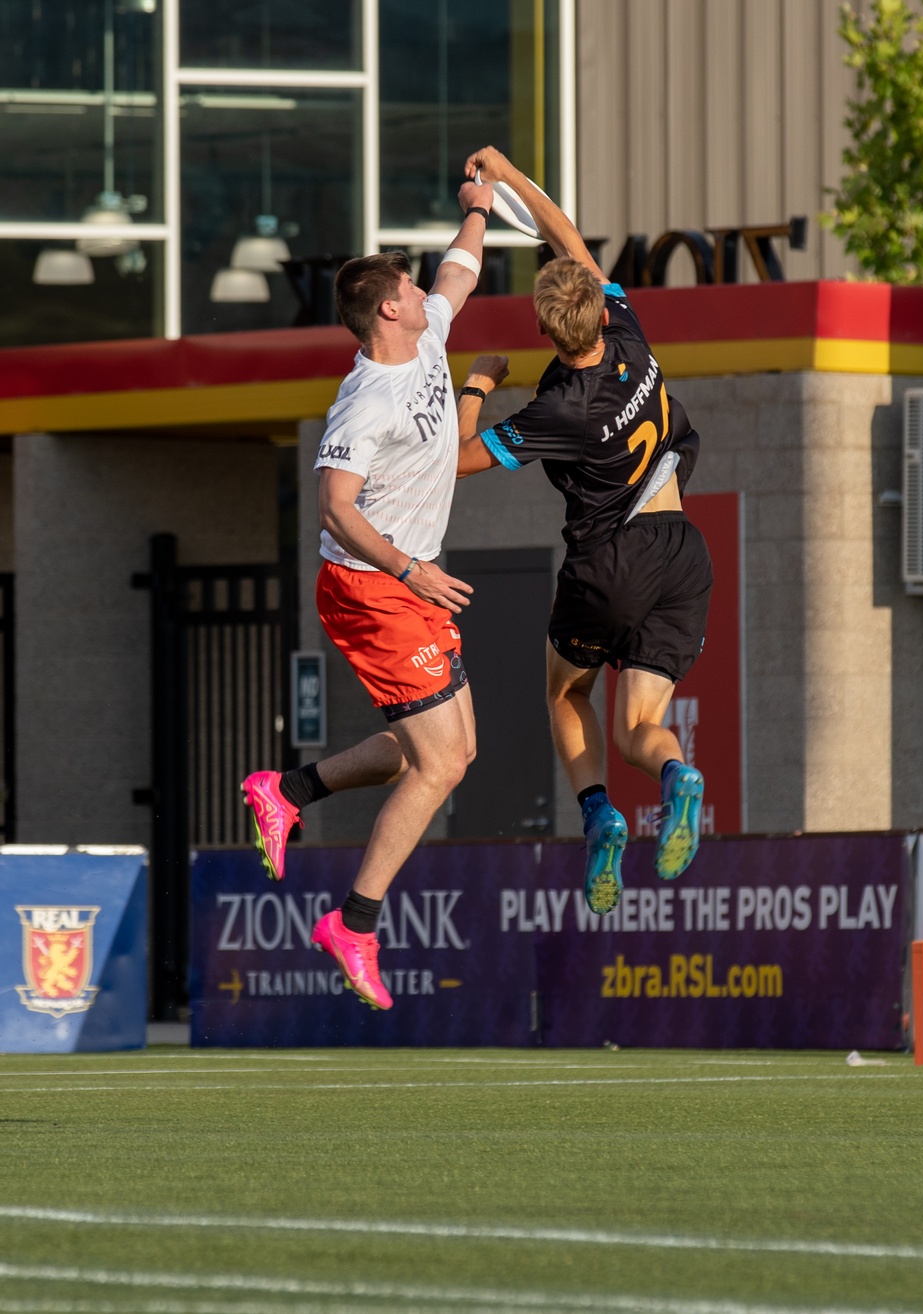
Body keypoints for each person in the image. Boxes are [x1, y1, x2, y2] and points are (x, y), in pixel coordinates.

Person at [242, 176, 508, 1011]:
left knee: (446, 754)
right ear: (386, 311)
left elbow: (460, 270)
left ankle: (286, 791)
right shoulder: (363, 402)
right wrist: (409, 570)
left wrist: (481, 200)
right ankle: (354, 923)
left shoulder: (427, 337)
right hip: (372, 587)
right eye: (407, 287)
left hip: (409, 586)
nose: (424, 291)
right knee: (438, 764)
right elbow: (335, 507)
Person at [455, 145, 712, 917]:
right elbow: (565, 236)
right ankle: (678, 780)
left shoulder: (556, 409)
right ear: (601, 308)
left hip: (610, 564)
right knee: (643, 726)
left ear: (547, 329)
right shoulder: (631, 334)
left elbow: (458, 464)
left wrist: (476, 385)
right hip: (682, 555)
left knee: (565, 692)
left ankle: (599, 814)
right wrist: (507, 171)